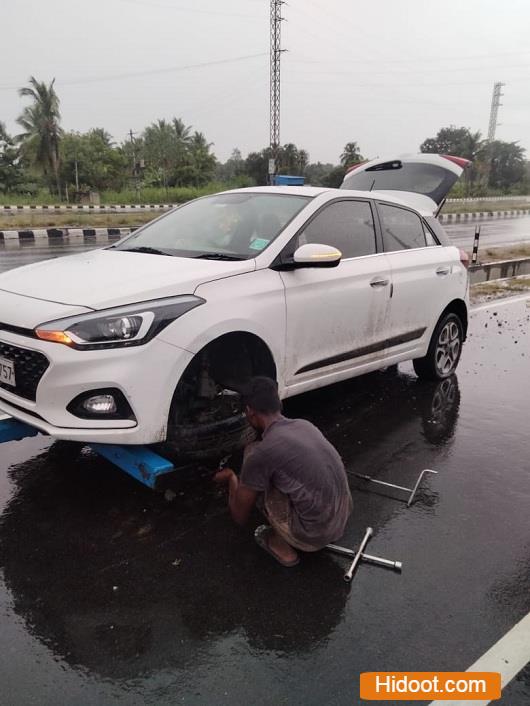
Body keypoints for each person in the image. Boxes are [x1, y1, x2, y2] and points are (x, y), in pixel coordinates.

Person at [213, 376, 353, 567]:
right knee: (258, 457)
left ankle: (281, 546)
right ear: (277, 402)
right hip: (340, 518)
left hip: (313, 535)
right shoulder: (304, 425)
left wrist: (231, 478)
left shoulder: (263, 453)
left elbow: (239, 516)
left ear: (249, 412)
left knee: (260, 486)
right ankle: (314, 526)